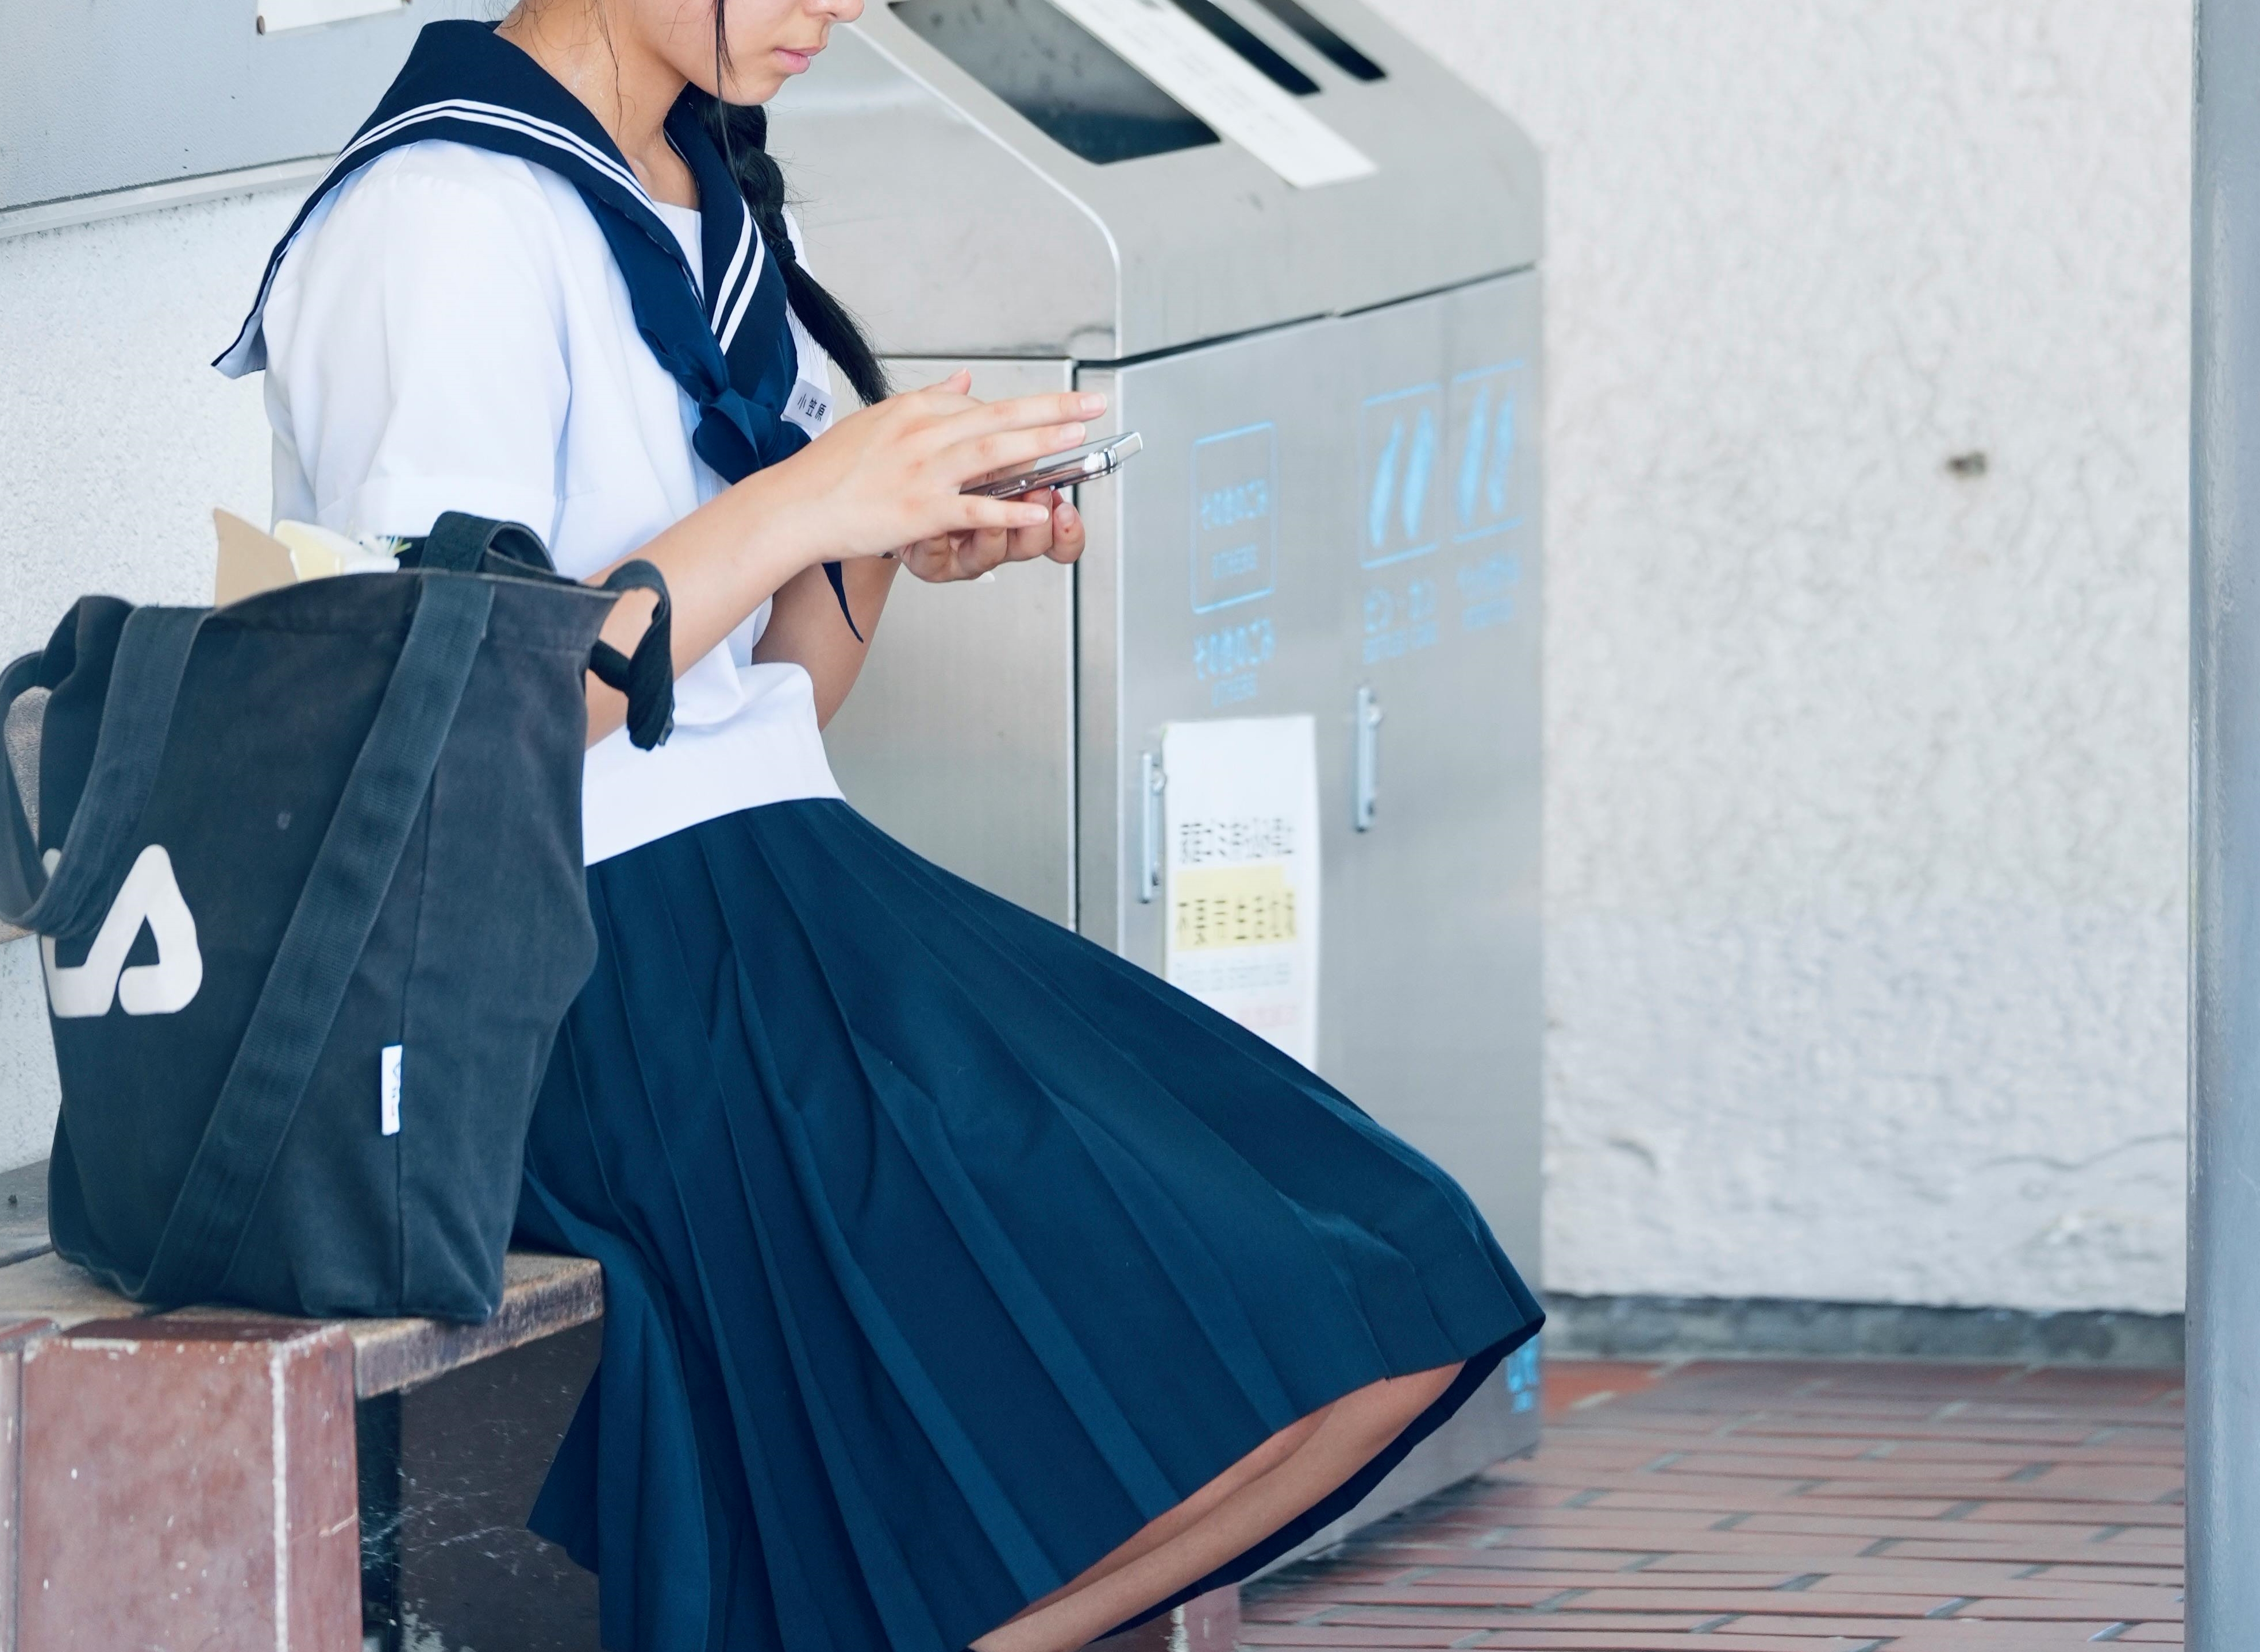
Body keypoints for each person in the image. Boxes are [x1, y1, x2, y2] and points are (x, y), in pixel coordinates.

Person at [221, 2, 1544, 1648]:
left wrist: (889, 545)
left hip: (769, 882)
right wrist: (813, 497)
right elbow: (452, 726)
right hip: (569, 960)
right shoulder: (440, 217)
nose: (833, 5)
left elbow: (770, 703)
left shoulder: (697, 192)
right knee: (1269, 1287)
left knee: (1390, 1268)